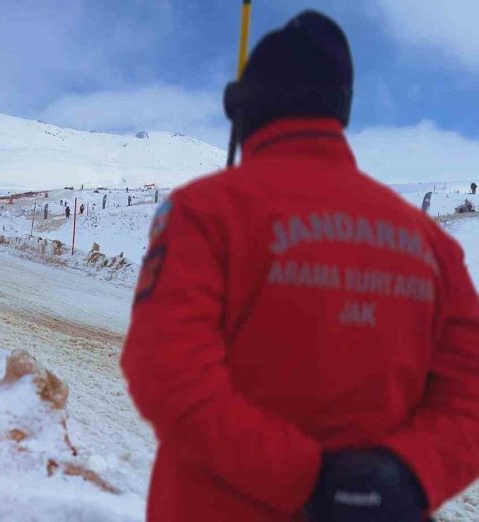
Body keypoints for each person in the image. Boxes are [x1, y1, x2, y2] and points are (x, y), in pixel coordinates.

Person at [122, 11, 479, 522]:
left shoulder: (205, 211)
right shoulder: (431, 243)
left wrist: (307, 479)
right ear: (340, 107)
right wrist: (406, 476)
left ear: (246, 105)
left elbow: (166, 371)